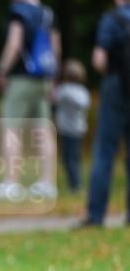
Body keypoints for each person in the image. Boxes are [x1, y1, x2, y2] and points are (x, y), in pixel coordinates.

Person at [0, 0, 61, 202]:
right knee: (44, 130)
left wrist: (2, 70)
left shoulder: (18, 11)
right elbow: (55, 48)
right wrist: (53, 78)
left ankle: (11, 183)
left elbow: (14, 43)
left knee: (11, 129)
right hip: (44, 78)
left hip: (21, 77)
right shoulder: (48, 13)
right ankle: (47, 183)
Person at [80, 0, 130, 227]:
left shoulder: (111, 19)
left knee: (105, 151)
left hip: (115, 88)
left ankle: (96, 214)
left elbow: (99, 60)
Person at [53, 60, 90, 192]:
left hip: (66, 130)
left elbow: (53, 97)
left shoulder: (63, 90)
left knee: (68, 158)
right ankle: (74, 183)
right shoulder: (83, 92)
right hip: (79, 130)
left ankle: (75, 184)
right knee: (74, 158)